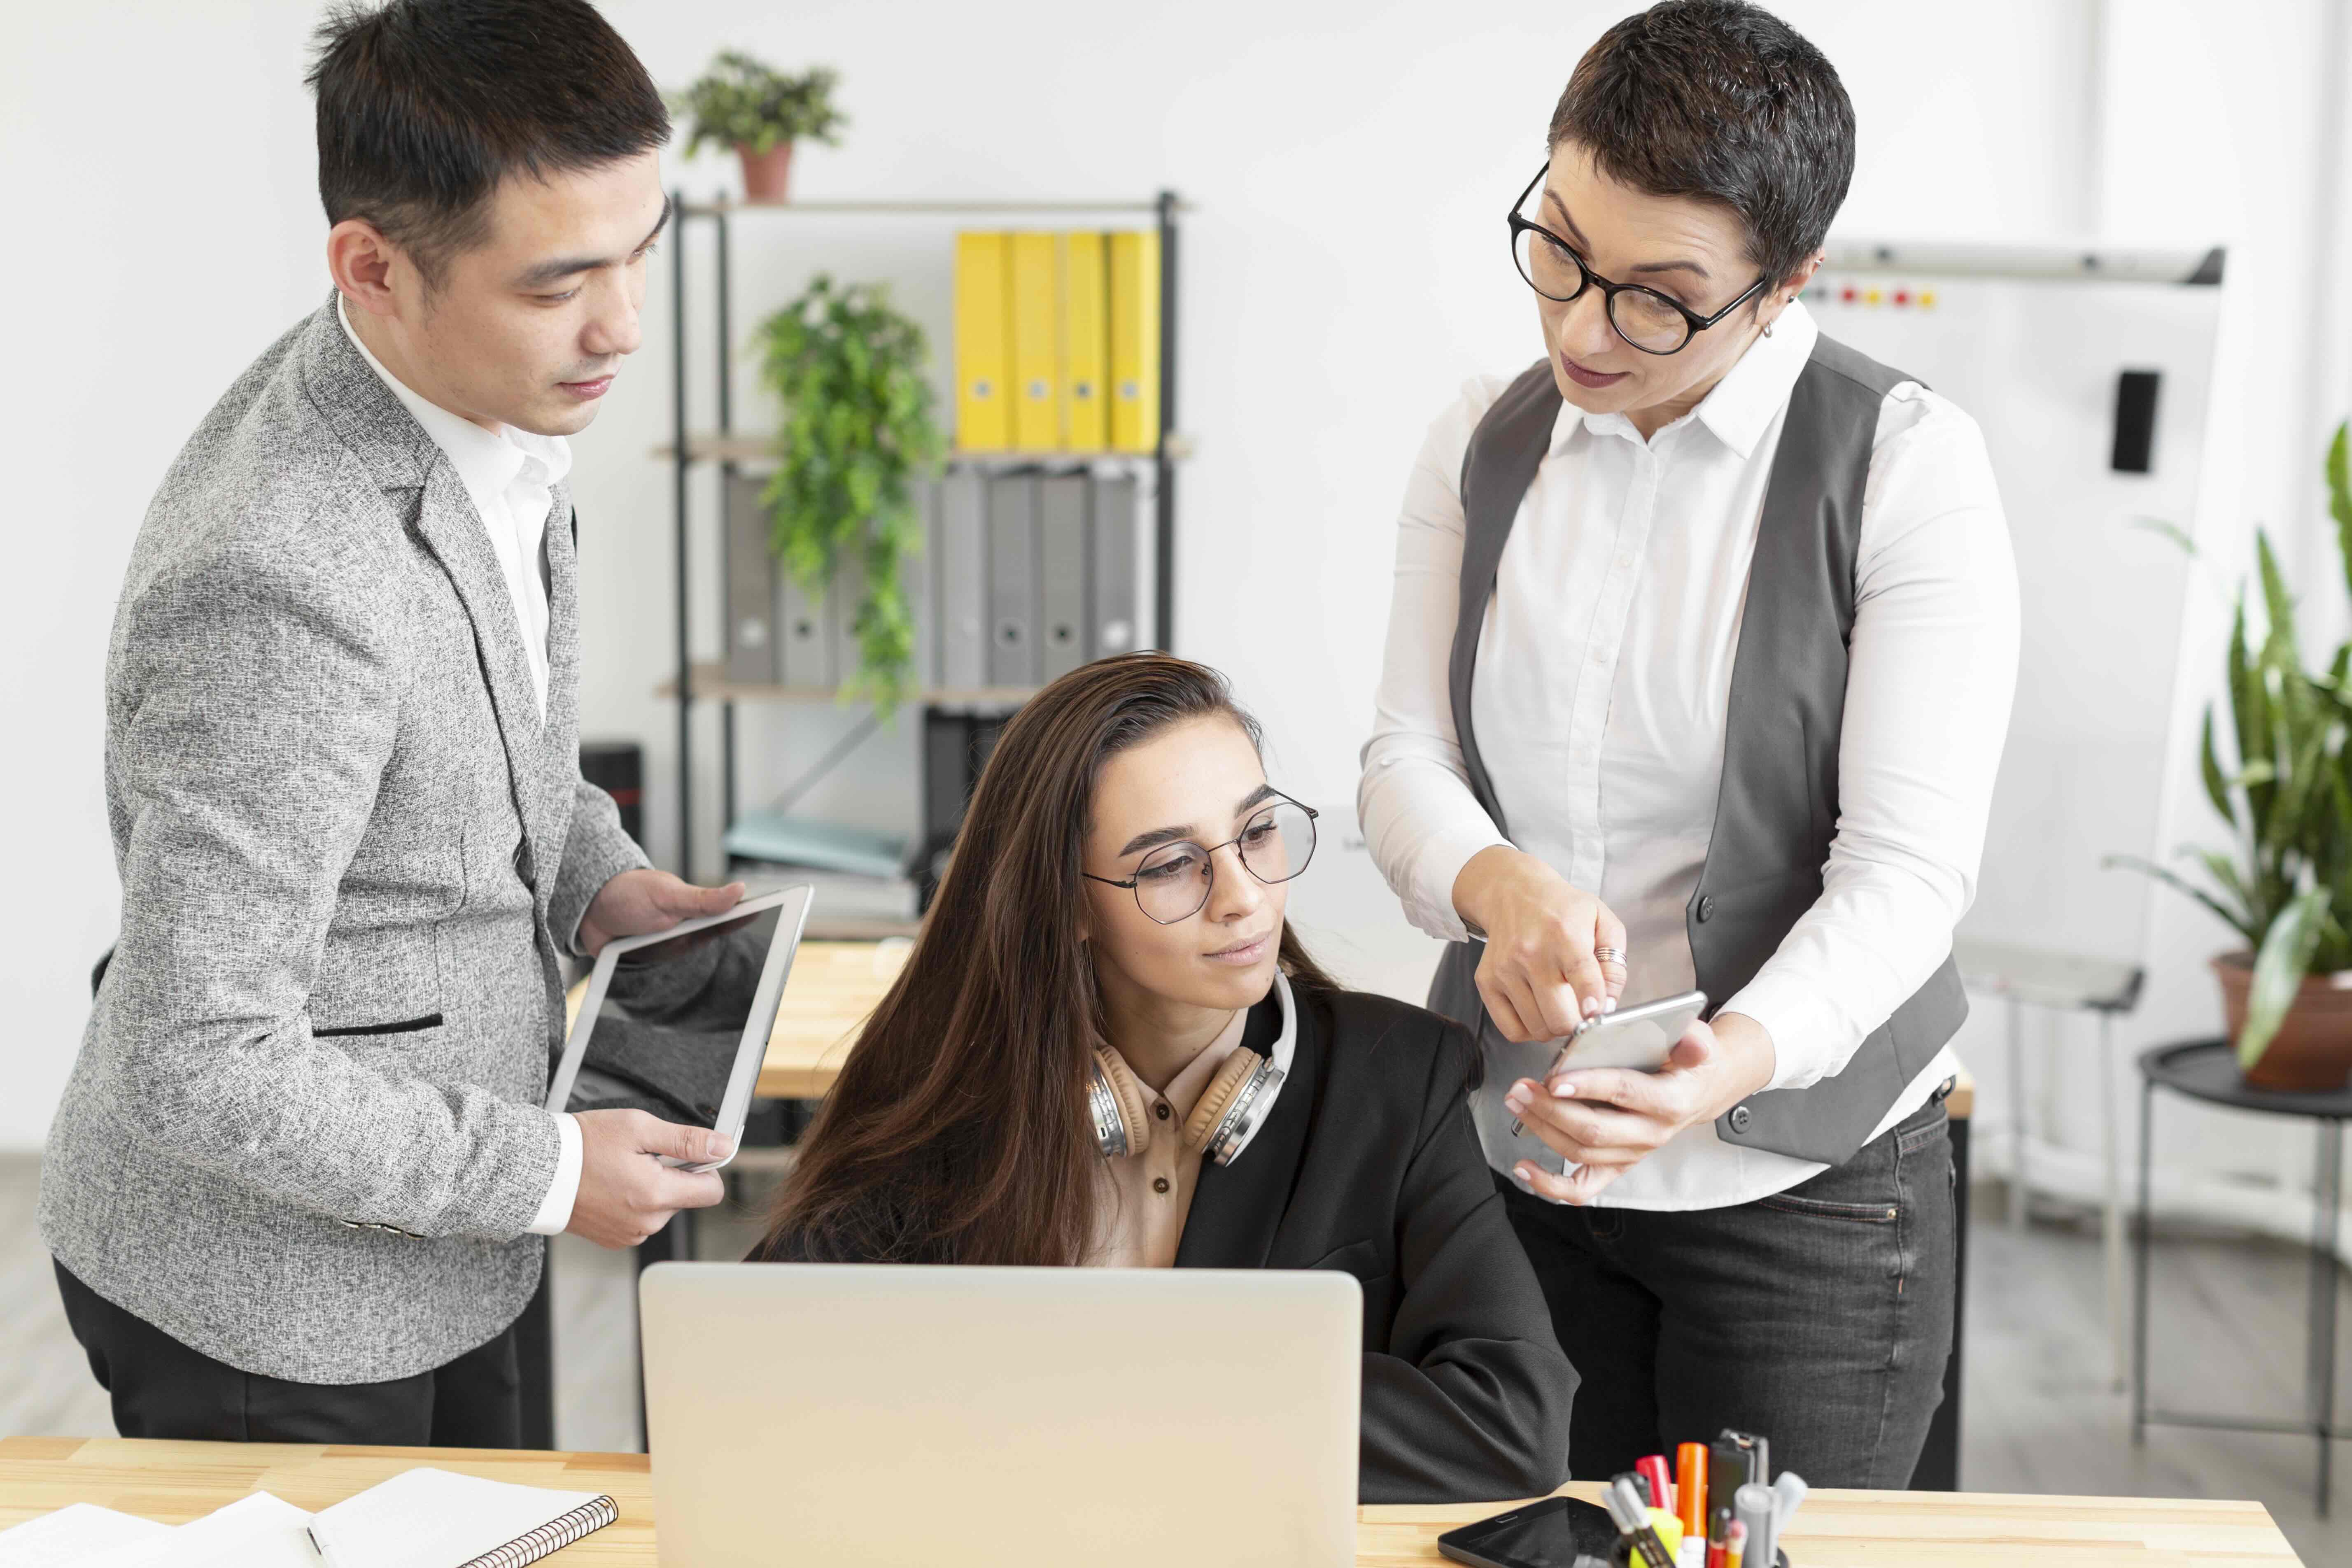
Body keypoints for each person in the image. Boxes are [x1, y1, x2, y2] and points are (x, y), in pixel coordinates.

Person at [40, 0, 746, 1446]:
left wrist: (592, 870)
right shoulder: (281, 575)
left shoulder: (472, 398)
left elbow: (493, 734)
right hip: (266, 1299)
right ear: (372, 269)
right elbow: (198, 1058)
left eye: (641, 254)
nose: (621, 324)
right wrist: (552, 1176)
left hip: (439, 1236)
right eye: (560, 284)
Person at [1358, 0, 2019, 1486]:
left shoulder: (1905, 467)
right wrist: (1492, 888)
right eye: (1560, 252)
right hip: (1515, 1169)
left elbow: (1905, 873)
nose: (1584, 328)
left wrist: (1726, 1063)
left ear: (1785, 284)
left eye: (1657, 298)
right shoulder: (1482, 441)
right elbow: (1404, 756)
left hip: (1810, 1199)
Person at [754, 654, 1573, 1504]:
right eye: (1170, 864)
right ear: (1066, 903)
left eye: (1255, 832)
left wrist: (1117, 1397)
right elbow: (760, 1367)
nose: (1243, 897)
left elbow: (1512, 1425)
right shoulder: (953, 1090)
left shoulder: (1399, 1076)